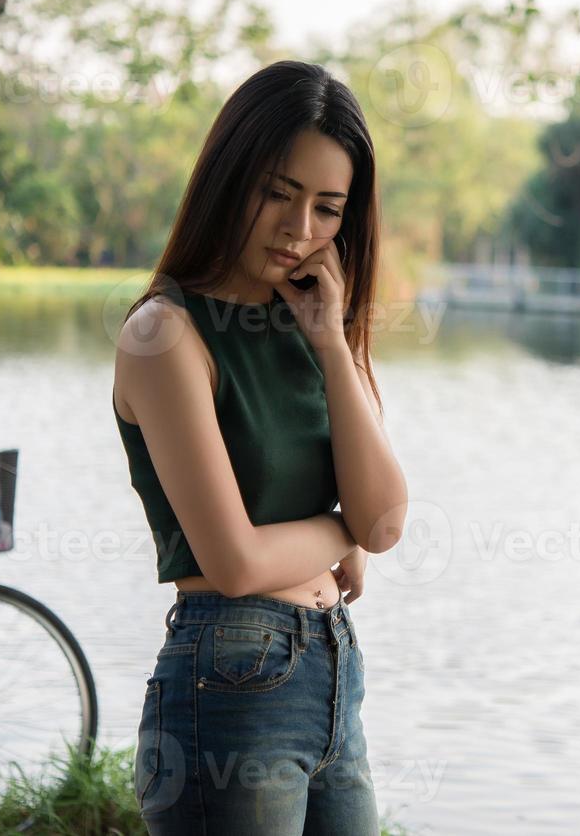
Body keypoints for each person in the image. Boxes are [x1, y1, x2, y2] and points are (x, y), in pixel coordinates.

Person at [111, 60, 408, 834]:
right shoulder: (163, 335)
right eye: (276, 193)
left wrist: (332, 347)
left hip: (333, 673)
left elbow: (385, 519)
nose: (299, 229)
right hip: (231, 683)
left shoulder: (314, 326)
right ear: (228, 176)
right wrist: (338, 531)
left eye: (326, 208)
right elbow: (235, 561)